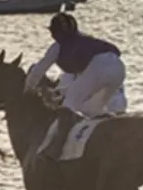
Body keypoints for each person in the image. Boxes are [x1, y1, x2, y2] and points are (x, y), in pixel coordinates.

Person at [24, 12, 125, 161]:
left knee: (69, 104)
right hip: (119, 68)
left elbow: (39, 70)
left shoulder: (58, 47)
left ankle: (57, 147)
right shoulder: (87, 40)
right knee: (93, 109)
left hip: (99, 67)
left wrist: (28, 88)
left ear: (56, 33)